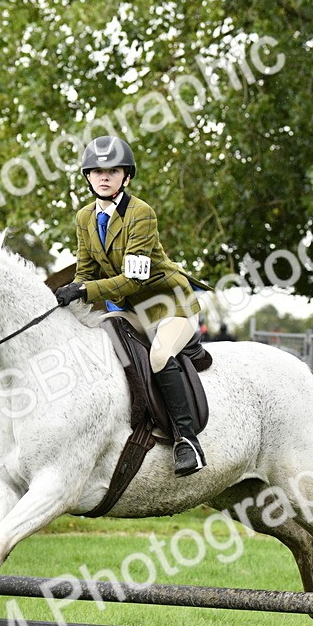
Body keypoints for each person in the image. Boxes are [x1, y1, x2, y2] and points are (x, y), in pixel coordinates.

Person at [53, 136, 206, 476]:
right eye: (96, 171)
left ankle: (187, 441)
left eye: (113, 170)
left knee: (159, 356)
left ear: (127, 177)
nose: (104, 177)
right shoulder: (84, 218)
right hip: (132, 309)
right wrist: (68, 294)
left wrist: (82, 290)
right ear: (88, 177)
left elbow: (132, 279)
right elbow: (85, 272)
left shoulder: (141, 213)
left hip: (169, 305)